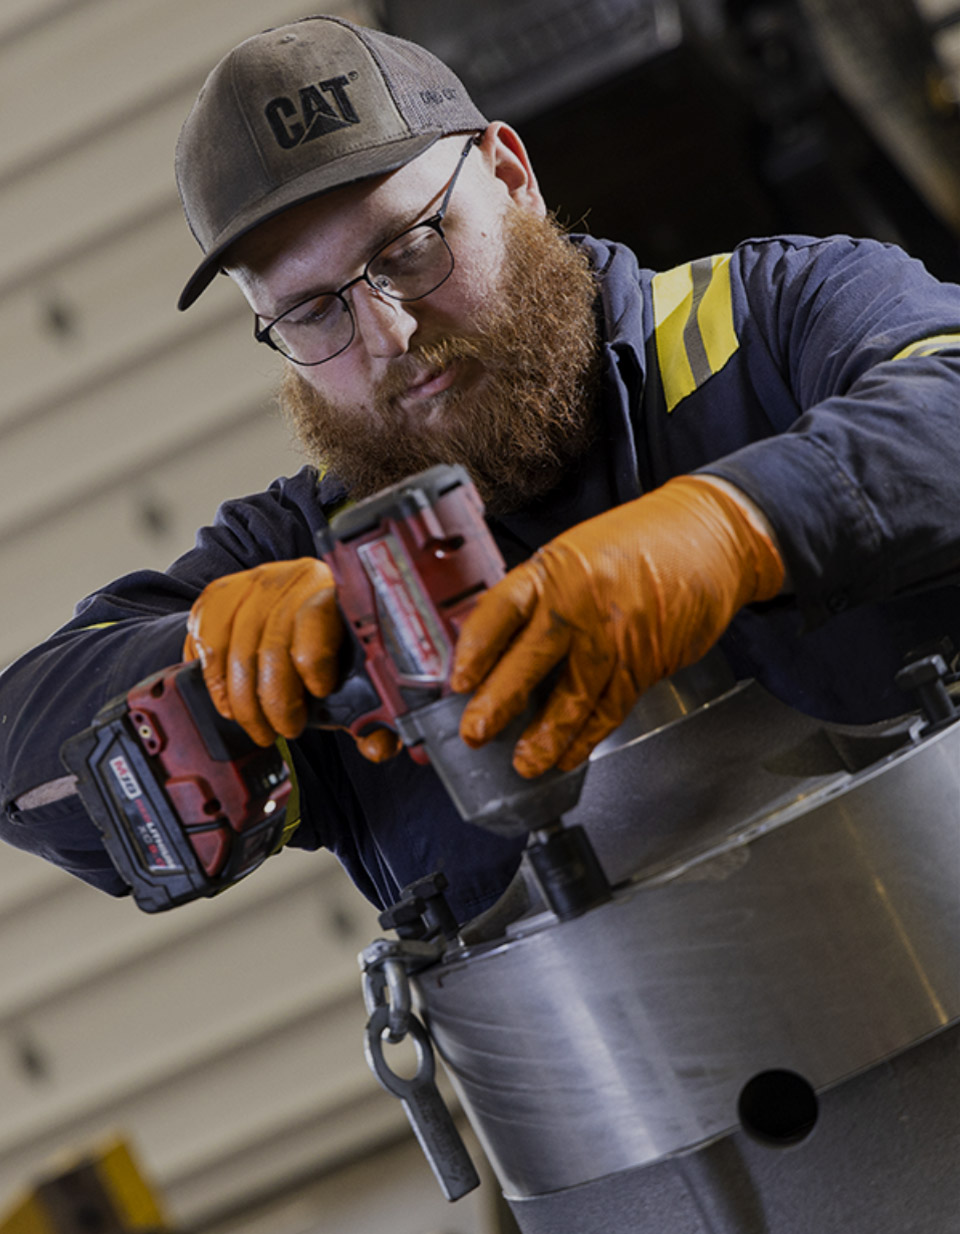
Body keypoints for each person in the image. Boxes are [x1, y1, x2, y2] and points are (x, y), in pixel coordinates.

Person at [1, 14, 959, 923]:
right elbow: (20, 761)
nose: (388, 334)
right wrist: (202, 661)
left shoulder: (773, 321)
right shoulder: (310, 551)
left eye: (412, 247)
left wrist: (731, 529)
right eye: (312, 313)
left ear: (510, 176)